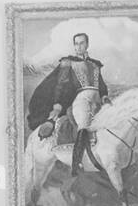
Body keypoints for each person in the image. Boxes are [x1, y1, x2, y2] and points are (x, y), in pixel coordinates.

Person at [26, 33, 112, 175]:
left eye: (81, 43)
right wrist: (58, 104)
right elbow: (61, 84)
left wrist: (104, 96)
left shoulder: (95, 64)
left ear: (87, 45)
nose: (78, 47)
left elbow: (101, 85)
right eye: (76, 44)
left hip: (97, 100)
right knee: (84, 125)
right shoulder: (68, 62)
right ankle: (76, 163)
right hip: (81, 99)